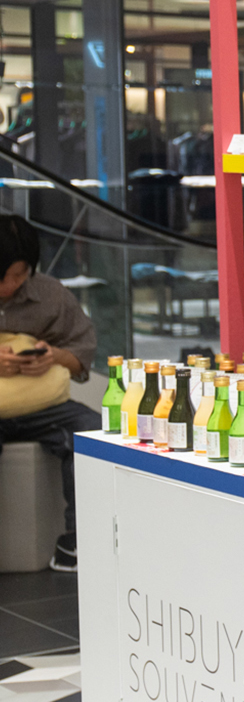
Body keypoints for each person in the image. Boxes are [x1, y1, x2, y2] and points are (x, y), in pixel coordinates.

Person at [0, 215, 101, 572]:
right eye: (2, 277)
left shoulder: (50, 295)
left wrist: (54, 356)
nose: (9, 285)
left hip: (43, 408)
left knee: (92, 432)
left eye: (18, 275)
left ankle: (81, 540)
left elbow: (81, 356)